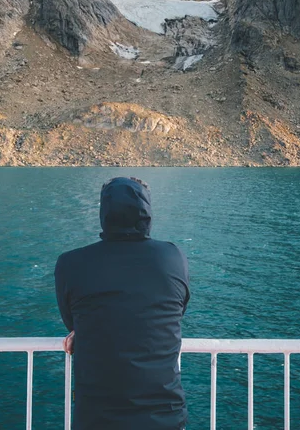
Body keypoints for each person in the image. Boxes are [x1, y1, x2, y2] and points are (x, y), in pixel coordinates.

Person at [54, 176, 190, 430]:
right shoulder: (173, 257)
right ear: (146, 212)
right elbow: (177, 309)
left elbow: (72, 319)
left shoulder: (71, 263)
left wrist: (82, 330)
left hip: (97, 417)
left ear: (104, 213)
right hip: (164, 415)